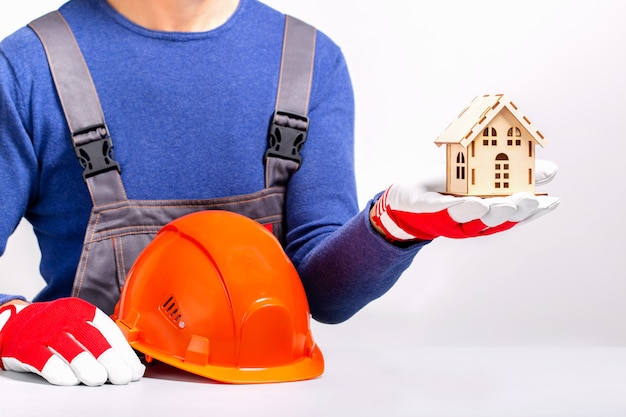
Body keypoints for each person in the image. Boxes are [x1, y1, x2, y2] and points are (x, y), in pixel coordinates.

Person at [0, 0, 559, 386]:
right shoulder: (26, 68)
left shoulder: (309, 61)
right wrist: (12, 322)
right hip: (91, 394)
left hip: (271, 393)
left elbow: (324, 295)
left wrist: (394, 227)